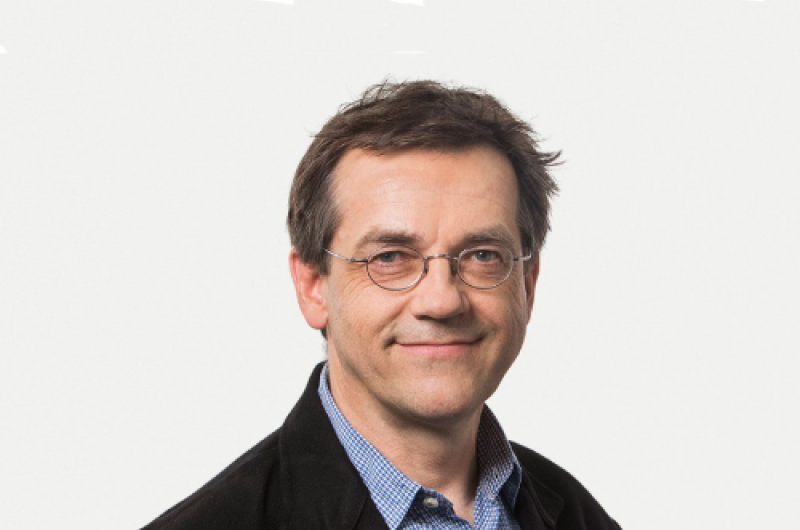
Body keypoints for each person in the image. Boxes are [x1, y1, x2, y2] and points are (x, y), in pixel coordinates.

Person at [142, 80, 621, 529]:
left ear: (527, 286)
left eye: (482, 256)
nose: (441, 300)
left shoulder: (579, 515)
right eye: (389, 258)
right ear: (312, 287)